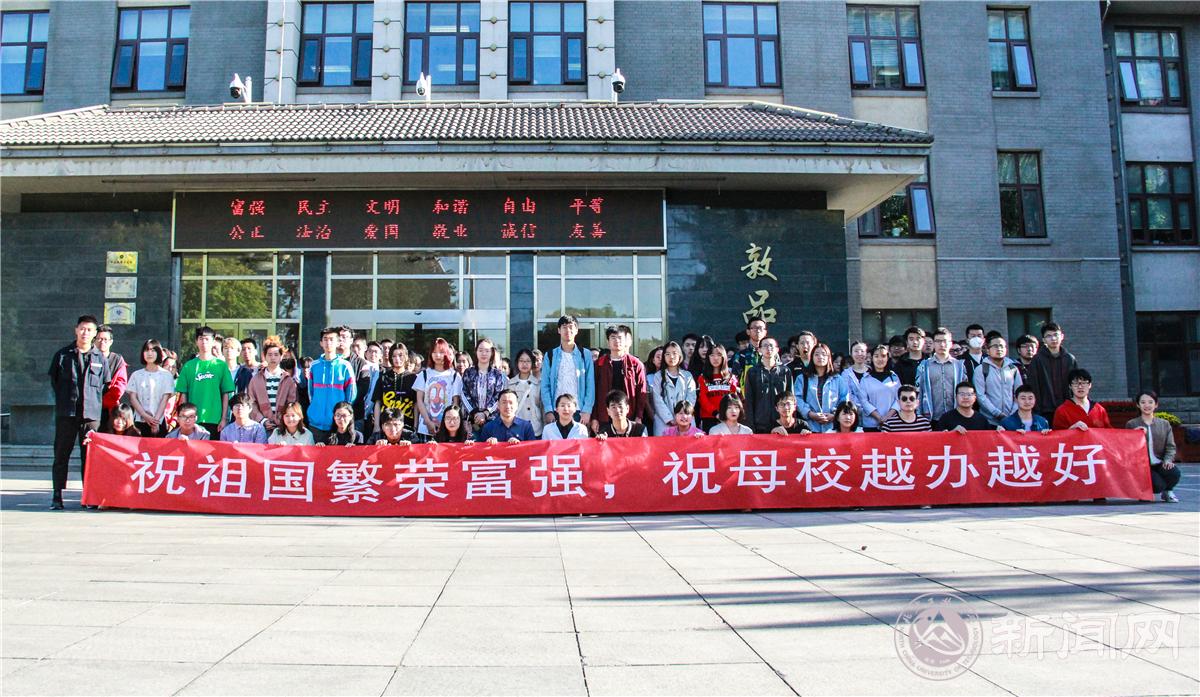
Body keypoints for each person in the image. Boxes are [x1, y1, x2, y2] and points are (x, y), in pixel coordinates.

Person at [175, 326, 234, 436]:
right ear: (196, 341)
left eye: (207, 339)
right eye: (201, 338)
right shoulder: (188, 366)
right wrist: (184, 418)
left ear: (213, 341)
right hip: (193, 419)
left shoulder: (221, 365)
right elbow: (183, 394)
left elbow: (225, 394)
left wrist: (224, 418)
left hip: (215, 419)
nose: (204, 342)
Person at [591, 325, 648, 435]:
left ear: (626, 341)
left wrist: (639, 416)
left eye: (620, 338)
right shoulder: (599, 364)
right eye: (613, 337)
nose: (617, 341)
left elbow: (641, 393)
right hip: (604, 416)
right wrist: (594, 417)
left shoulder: (635, 364)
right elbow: (593, 392)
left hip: (629, 416)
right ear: (608, 342)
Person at [1126, 390, 1181, 502]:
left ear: (1156, 404)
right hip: (1142, 465)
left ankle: (1168, 491)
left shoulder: (1164, 424)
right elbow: (1127, 447)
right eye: (1143, 402)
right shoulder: (1132, 424)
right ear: (1138, 405)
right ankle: (1144, 491)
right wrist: (1134, 435)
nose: (1147, 405)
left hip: (1159, 462)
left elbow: (1170, 446)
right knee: (1158, 485)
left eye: (1150, 402)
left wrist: (1168, 460)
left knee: (1174, 472)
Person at [540, 315, 595, 425]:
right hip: (556, 410)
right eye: (564, 327)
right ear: (559, 330)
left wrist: (587, 410)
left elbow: (590, 384)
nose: (568, 330)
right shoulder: (550, 355)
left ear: (576, 330)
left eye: (571, 327)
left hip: (578, 410)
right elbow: (545, 384)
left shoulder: (585, 354)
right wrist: (549, 410)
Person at [307, 326, 357, 443]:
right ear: (321, 343)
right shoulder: (314, 366)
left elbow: (351, 395)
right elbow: (310, 393)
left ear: (338, 342)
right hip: (316, 424)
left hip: (337, 424)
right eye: (325, 339)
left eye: (331, 339)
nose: (328, 342)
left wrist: (342, 416)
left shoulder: (345, 366)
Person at [1026, 322, 1078, 424]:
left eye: (1056, 335)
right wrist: (1036, 410)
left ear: (1062, 336)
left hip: (1068, 409)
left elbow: (1075, 384)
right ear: (1044, 340)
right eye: (1049, 336)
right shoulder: (1037, 360)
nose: (1053, 339)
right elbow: (1033, 386)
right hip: (1045, 411)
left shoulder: (1070, 359)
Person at [414, 338, 464, 441]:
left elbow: (455, 403)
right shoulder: (424, 374)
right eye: (434, 352)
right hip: (425, 427)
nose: (437, 355)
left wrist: (447, 423)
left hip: (447, 428)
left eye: (441, 352)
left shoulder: (454, 375)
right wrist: (428, 422)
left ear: (446, 353)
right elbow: (419, 400)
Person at [248, 336, 298, 432]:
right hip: (261, 427)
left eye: (276, 354)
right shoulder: (255, 380)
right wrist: (262, 420)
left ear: (281, 357)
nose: (273, 358)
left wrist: (281, 419)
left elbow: (292, 403)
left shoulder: (288, 380)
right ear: (264, 356)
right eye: (270, 354)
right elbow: (251, 403)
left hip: (283, 426)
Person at [915, 327, 966, 422]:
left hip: (956, 417)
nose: (942, 344)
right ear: (933, 343)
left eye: (945, 341)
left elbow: (965, 390)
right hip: (931, 417)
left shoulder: (959, 366)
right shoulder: (924, 366)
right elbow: (919, 392)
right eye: (938, 341)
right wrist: (919, 417)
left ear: (951, 343)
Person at [127, 338, 175, 437]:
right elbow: (132, 398)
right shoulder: (136, 375)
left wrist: (155, 421)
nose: (149, 353)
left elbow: (165, 399)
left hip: (159, 421)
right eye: (147, 350)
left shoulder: (166, 375)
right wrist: (145, 416)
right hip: (139, 421)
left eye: (153, 350)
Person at [797, 343, 849, 433]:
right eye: (816, 354)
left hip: (833, 428)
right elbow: (797, 399)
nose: (820, 357)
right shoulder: (803, 378)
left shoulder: (838, 379)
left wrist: (835, 415)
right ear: (812, 357)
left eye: (824, 354)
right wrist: (810, 413)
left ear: (829, 357)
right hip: (809, 427)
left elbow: (844, 399)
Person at [743, 337, 790, 434]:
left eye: (771, 346)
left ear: (777, 349)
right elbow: (749, 400)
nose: (769, 348)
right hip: (759, 424)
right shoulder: (752, 372)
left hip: (781, 423)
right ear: (759, 350)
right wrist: (750, 426)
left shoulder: (785, 371)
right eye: (765, 346)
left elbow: (791, 398)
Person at [649, 341, 697, 436]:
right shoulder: (658, 376)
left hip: (686, 420)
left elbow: (691, 397)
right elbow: (657, 400)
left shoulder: (687, 375)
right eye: (667, 354)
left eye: (674, 353)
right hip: (664, 422)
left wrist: (683, 415)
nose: (671, 357)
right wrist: (669, 419)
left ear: (680, 355)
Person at [973, 335, 1023, 426]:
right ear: (988, 350)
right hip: (988, 421)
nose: (999, 349)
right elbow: (980, 396)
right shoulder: (981, 369)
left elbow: (1019, 393)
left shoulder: (1013, 368)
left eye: (1002, 346)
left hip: (1011, 419)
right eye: (995, 346)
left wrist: (1012, 413)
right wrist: (997, 413)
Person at [462, 338, 510, 432]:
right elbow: (464, 394)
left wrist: (485, 413)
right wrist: (474, 413)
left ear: (492, 353)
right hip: (472, 420)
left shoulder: (497, 374)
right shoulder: (468, 372)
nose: (483, 353)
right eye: (480, 350)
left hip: (492, 419)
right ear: (476, 352)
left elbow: (498, 396)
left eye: (487, 351)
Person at [373, 343, 418, 437]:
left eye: (400, 355)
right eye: (394, 356)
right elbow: (377, 403)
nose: (397, 359)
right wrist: (376, 425)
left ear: (406, 357)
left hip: (407, 426)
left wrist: (415, 426)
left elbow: (416, 404)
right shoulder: (383, 377)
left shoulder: (413, 378)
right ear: (391, 358)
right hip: (386, 427)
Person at [856, 344, 900, 431]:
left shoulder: (894, 377)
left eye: (883, 356)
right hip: (871, 424)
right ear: (872, 358)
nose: (880, 359)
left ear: (887, 358)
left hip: (892, 423)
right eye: (876, 356)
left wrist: (887, 417)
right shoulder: (865, 379)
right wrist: (879, 418)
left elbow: (899, 399)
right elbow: (864, 401)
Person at [696, 344, 739, 432]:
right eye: (712, 355)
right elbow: (703, 399)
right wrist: (716, 413)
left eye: (719, 355)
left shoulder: (731, 377)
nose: (715, 358)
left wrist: (726, 414)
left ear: (724, 357)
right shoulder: (702, 378)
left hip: (728, 417)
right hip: (709, 418)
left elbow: (733, 399)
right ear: (708, 357)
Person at [94, 325, 128, 433]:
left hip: (109, 407)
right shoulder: (89, 357)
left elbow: (120, 385)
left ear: (111, 342)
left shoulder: (117, 360)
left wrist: (103, 401)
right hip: (90, 407)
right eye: (99, 339)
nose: (102, 342)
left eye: (105, 339)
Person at [509, 349, 543, 437]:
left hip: (535, 428)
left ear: (532, 363)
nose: (524, 364)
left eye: (528, 361)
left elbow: (541, 407)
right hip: (516, 429)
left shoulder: (538, 383)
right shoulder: (510, 384)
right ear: (517, 363)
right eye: (521, 361)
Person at [354, 341, 383, 435]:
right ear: (366, 353)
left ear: (381, 355)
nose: (373, 354)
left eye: (376, 352)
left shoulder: (383, 372)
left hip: (375, 414)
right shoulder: (359, 368)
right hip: (359, 411)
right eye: (370, 351)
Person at [729, 317, 767, 383]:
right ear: (748, 331)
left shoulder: (772, 354)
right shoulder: (740, 355)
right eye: (754, 328)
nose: (758, 331)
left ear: (765, 332)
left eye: (760, 328)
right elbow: (735, 379)